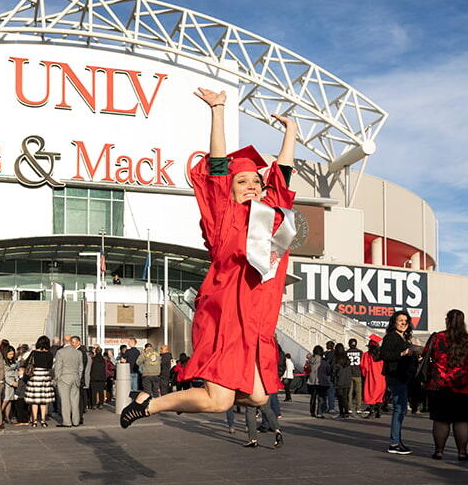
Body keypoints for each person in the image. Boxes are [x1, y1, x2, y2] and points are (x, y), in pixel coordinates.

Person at [120, 88, 297, 428]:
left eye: (255, 181)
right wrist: (218, 109)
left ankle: (172, 395)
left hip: (255, 321)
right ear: (229, 187)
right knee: (219, 402)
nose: (251, 185)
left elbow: (283, 176)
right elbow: (217, 166)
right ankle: (150, 404)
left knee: (259, 396)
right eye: (241, 180)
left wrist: (290, 133)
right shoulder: (224, 216)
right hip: (226, 317)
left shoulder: (274, 218)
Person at [423, 309, 468, 461]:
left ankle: (439, 451)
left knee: (441, 420)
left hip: (440, 385)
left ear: (447, 320)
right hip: (464, 386)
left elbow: (426, 355)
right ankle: (462, 452)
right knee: (461, 421)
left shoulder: (438, 337)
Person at [380, 310, 419, 455]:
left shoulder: (403, 338)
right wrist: (402, 354)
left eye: (405, 321)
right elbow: (383, 354)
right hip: (396, 377)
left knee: (401, 409)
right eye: (400, 320)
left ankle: (397, 441)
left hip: (403, 377)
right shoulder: (391, 337)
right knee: (399, 409)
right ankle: (394, 443)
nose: (403, 323)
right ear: (394, 322)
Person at [25, 335, 55, 427]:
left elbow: (26, 363)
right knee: (43, 401)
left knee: (34, 401)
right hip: (44, 376)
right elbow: (50, 366)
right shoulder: (50, 354)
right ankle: (43, 420)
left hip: (34, 376)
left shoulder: (34, 353)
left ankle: (34, 421)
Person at [54, 335, 83, 426]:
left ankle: (67, 422)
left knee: (65, 401)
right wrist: (78, 377)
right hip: (75, 377)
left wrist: (57, 378)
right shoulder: (78, 352)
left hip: (64, 378)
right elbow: (81, 367)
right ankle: (76, 421)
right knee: (75, 401)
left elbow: (58, 367)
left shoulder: (60, 352)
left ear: (63, 341)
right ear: (70, 341)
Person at [361, 335, 386, 419]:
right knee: (379, 395)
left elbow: (364, 367)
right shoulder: (382, 354)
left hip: (371, 377)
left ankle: (372, 411)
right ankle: (379, 411)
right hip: (381, 377)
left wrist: (365, 375)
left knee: (370, 394)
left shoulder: (366, 355)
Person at [307, 346, 329, 418]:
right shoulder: (323, 361)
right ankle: (319, 412)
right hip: (320, 381)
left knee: (313, 396)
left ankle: (312, 411)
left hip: (311, 381)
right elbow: (328, 370)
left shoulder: (310, 360)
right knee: (321, 397)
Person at [332, 343, 352, 418]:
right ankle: (346, 411)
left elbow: (334, 370)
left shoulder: (336, 359)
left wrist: (333, 377)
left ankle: (341, 413)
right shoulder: (347, 359)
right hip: (347, 380)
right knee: (345, 397)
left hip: (339, 380)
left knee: (340, 398)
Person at [346, 338, 363, 414]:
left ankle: (349, 407)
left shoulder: (346, 352)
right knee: (358, 392)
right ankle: (358, 408)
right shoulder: (360, 352)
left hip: (349, 374)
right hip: (358, 373)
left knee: (349, 392)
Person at [2, 345, 18, 423]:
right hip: (6, 382)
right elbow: (4, 374)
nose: (11, 356)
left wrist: (17, 380)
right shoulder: (3, 362)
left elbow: (15, 371)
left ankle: (7, 416)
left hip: (13, 381)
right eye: (10, 354)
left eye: (12, 354)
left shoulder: (13, 361)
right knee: (6, 399)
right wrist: (11, 383)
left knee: (10, 400)